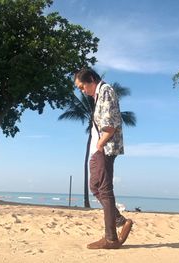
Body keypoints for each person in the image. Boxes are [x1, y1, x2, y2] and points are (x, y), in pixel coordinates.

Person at [74, 68, 133, 249]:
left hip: (104, 148)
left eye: (82, 86)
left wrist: (100, 145)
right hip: (98, 149)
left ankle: (111, 238)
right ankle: (118, 219)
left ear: (91, 79)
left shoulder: (106, 91)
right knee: (95, 186)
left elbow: (110, 124)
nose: (82, 91)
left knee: (104, 189)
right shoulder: (98, 96)